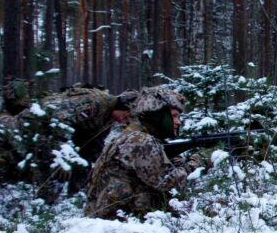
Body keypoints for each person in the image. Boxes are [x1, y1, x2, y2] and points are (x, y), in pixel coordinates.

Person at [83, 86, 196, 220]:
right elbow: (165, 181)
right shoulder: (141, 141)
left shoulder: (133, 136)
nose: (178, 122)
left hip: (110, 219)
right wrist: (198, 161)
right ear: (157, 115)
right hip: (117, 223)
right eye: (174, 116)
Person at [0, 78, 33, 186]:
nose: (28, 99)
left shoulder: (2, 118)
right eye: (25, 95)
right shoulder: (6, 121)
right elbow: (23, 151)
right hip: (4, 180)